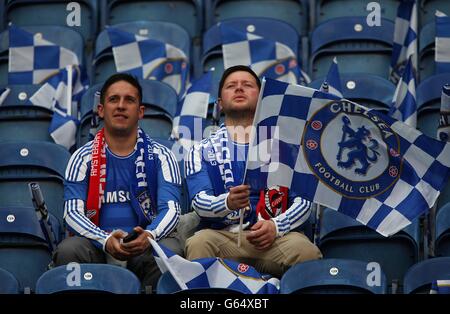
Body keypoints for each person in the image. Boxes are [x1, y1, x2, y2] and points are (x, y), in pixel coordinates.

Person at [184, 65, 322, 278]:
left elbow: (304, 202)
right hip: (223, 237)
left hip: (277, 238)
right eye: (231, 86)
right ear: (220, 104)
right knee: (199, 243)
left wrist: (276, 226)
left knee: (307, 252)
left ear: (262, 100)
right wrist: (227, 202)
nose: (239, 89)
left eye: (247, 85)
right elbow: (199, 203)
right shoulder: (200, 150)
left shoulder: (288, 147)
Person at [53, 73, 183, 292]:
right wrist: (104, 239)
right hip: (95, 245)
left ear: (140, 112)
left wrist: (149, 235)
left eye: (129, 100)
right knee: (69, 250)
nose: (121, 106)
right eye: (114, 99)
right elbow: (72, 213)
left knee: (169, 249)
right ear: (101, 110)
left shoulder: (163, 155)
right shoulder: (81, 157)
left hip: (144, 245)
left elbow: (171, 209)